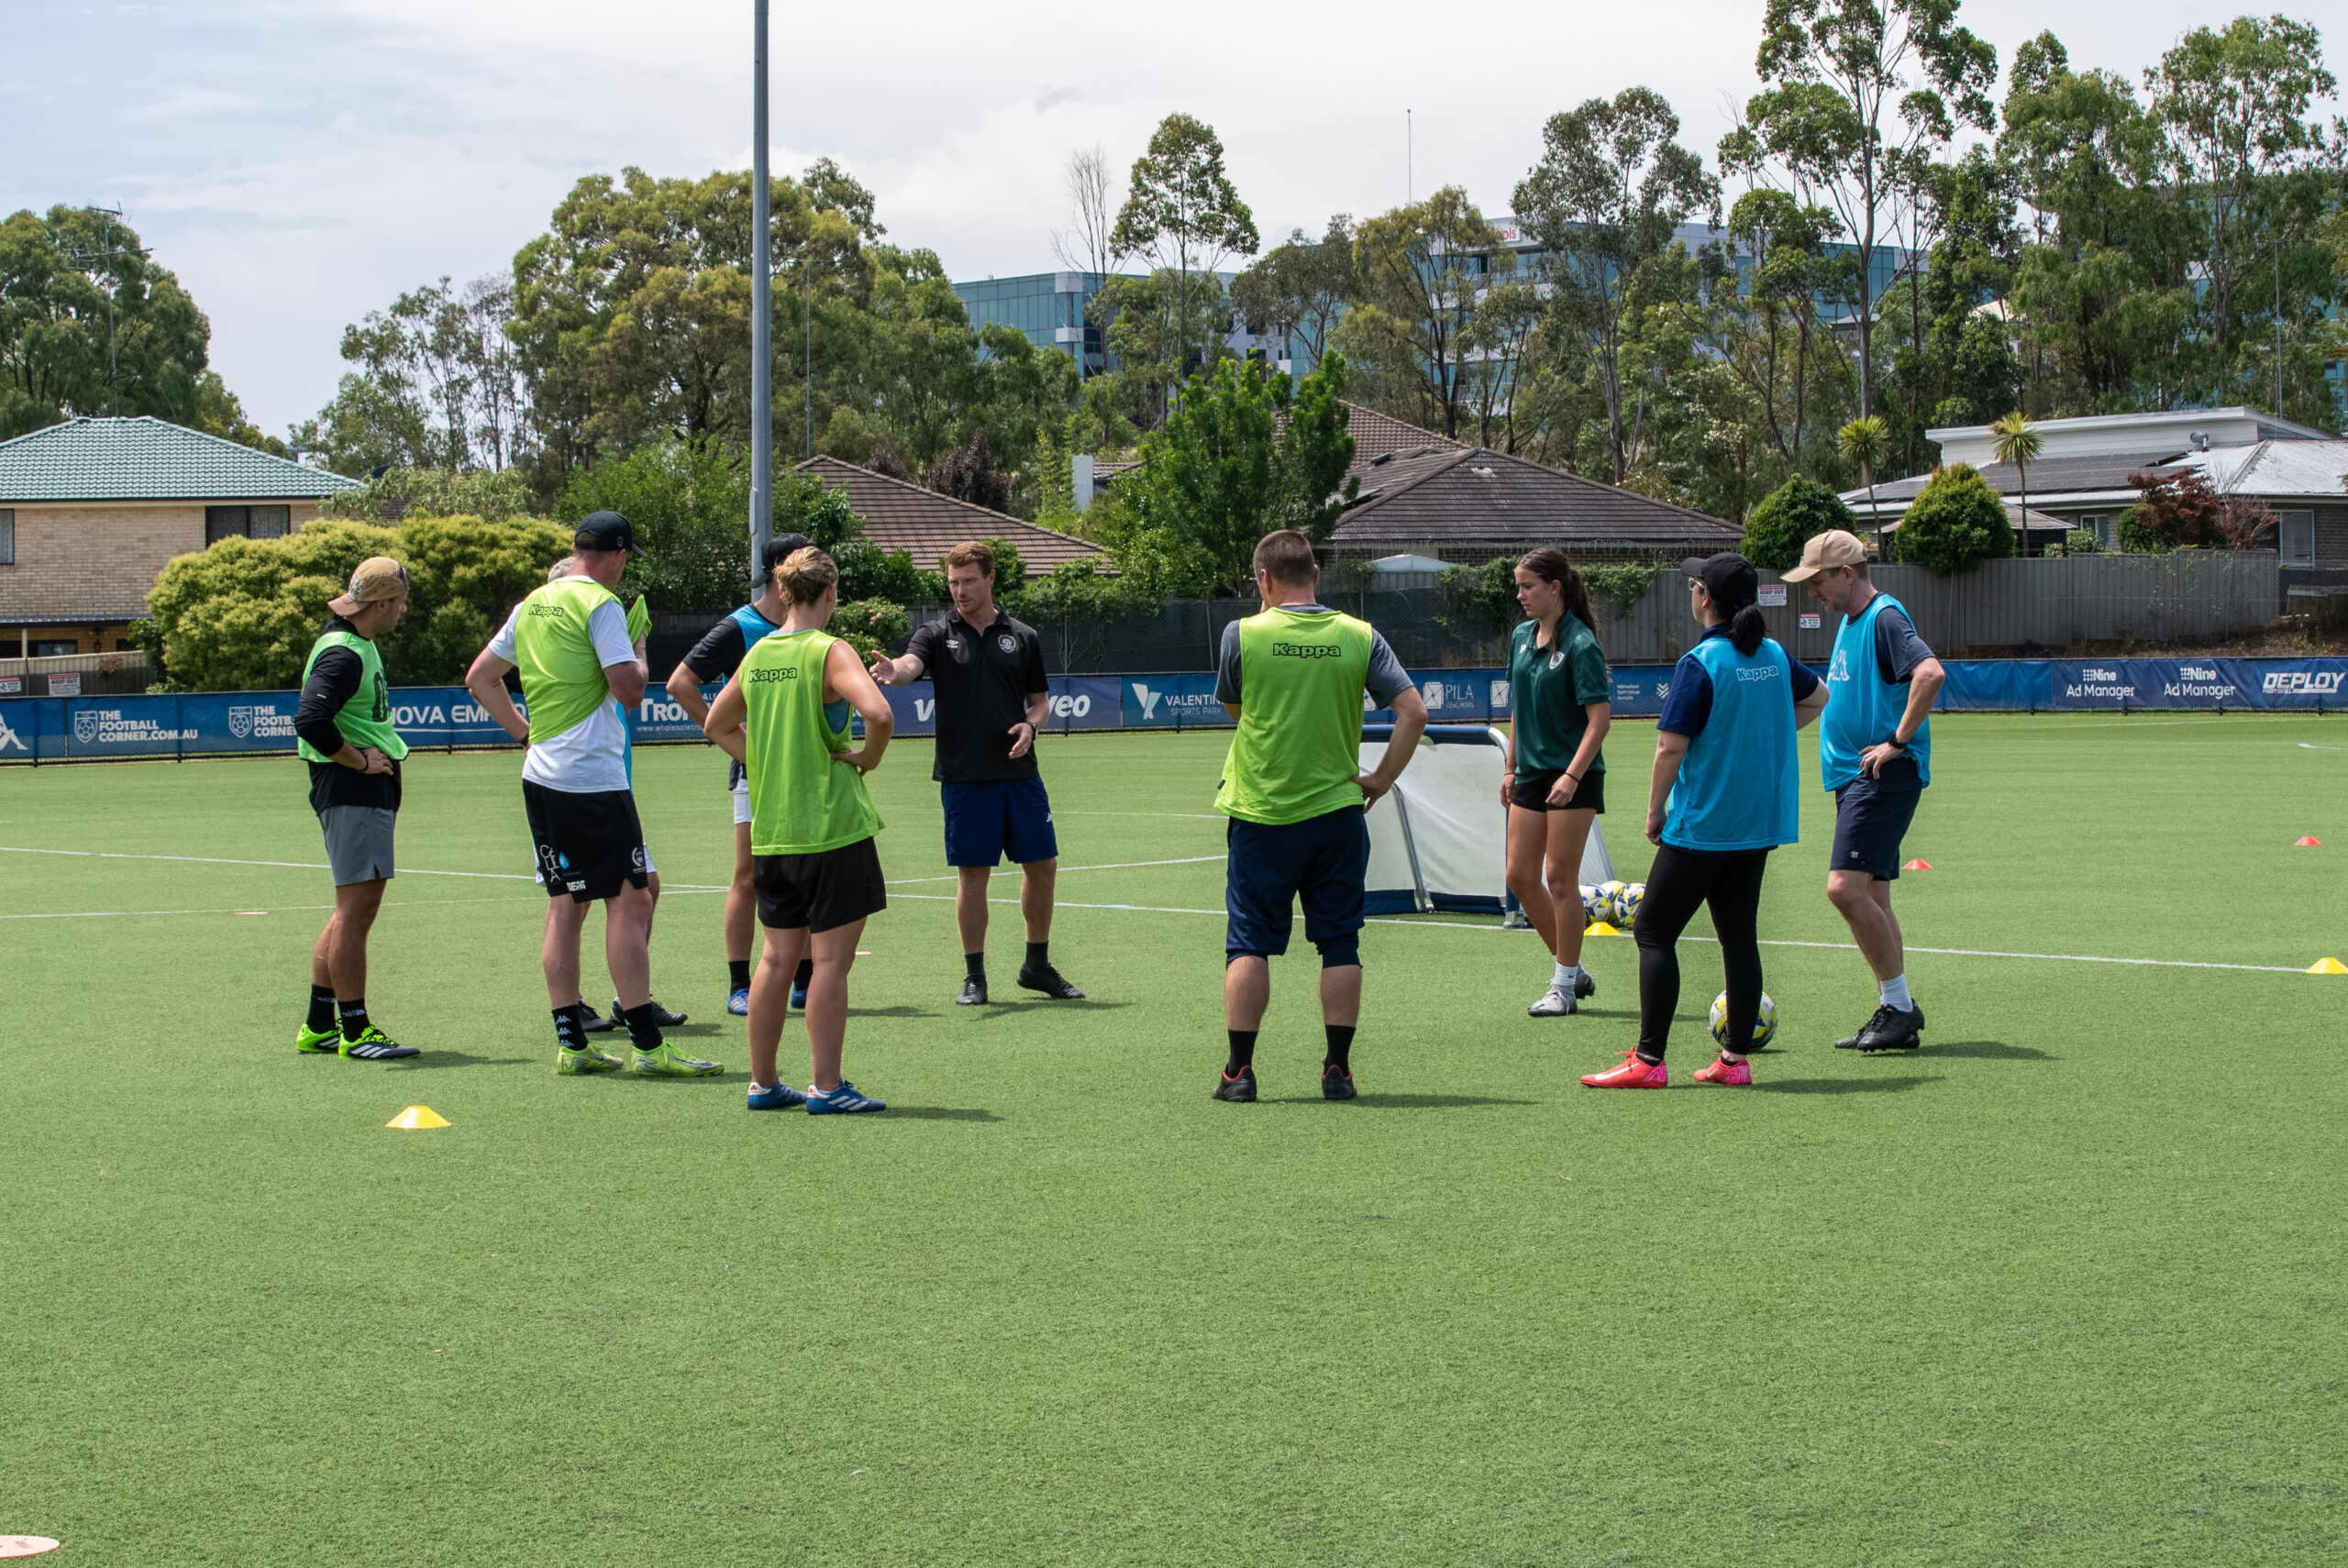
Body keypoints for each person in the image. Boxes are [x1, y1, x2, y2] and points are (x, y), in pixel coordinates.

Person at [461, 511, 720, 1079]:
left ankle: (571, 1043)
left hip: (542, 773)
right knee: (630, 901)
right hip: (592, 778)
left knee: (564, 904)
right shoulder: (602, 605)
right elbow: (630, 692)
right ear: (619, 555)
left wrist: (522, 732)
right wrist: (639, 647)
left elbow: (480, 677)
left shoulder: (532, 602)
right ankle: (649, 1047)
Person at [1582, 552, 1825, 1090]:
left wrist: (1653, 814)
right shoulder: (1775, 655)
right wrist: (1760, 735)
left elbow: (1669, 749)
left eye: (1694, 586)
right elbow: (1819, 699)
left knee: (1652, 929)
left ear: (1705, 598)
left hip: (1704, 824)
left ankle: (1647, 1062)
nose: (1691, 593)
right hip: (1758, 822)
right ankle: (1734, 1061)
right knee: (1739, 937)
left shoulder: (1701, 662)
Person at [1211, 529, 1427, 1103]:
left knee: (1249, 943)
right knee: (1339, 942)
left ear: (1263, 579)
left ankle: (1239, 1074)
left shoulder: (1244, 634)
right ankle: (1337, 1070)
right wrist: (1381, 778)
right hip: (1336, 811)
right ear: (1316, 574)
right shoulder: (1360, 635)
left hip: (1262, 814)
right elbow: (1413, 711)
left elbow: (1236, 707)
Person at [703, 547, 894, 1114]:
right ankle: (827, 1087)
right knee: (831, 964)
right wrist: (867, 758)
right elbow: (880, 715)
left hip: (773, 833)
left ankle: (763, 1084)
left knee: (774, 960)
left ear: (783, 593)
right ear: (831, 594)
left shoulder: (760, 652)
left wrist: (760, 761)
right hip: (832, 829)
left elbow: (717, 723)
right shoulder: (830, 650)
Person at [867, 540, 1083, 1006]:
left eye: (967, 581)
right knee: (973, 877)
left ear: (990, 579)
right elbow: (909, 665)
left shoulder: (1022, 635)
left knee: (1043, 867)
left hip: (1020, 773)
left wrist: (1031, 726)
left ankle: (1036, 965)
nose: (959, 591)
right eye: (952, 582)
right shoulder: (935, 632)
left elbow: (1040, 703)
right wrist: (894, 670)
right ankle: (975, 975)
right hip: (965, 775)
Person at [1782, 528, 1946, 1052]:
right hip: (1857, 777)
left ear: (1846, 573)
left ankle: (1900, 1007)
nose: (1813, 592)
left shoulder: (1884, 617)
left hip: (1880, 775)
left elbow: (1930, 673)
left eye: (1818, 581)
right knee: (1873, 894)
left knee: (1843, 889)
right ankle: (1894, 1010)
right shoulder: (1854, 621)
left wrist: (1896, 742)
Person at [663, 531, 815, 1017]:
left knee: (808, 873)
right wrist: (733, 739)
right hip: (757, 772)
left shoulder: (813, 622)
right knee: (748, 877)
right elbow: (680, 682)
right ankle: (739, 985)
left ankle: (804, 983)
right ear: (780, 573)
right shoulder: (741, 626)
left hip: (805, 771)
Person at [538, 555, 687, 1036]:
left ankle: (623, 1002)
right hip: (581, 787)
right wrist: (636, 648)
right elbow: (631, 690)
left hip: (597, 785)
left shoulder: (562, 634)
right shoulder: (585, 629)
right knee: (580, 901)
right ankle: (590, 1010)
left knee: (642, 890)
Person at [292, 556, 421, 1061]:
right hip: (351, 791)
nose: (404, 611)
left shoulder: (353, 641)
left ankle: (320, 1025)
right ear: (383, 603)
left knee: (348, 911)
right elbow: (311, 720)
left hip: (355, 792)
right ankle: (355, 1030)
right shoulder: (344, 652)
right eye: (401, 602)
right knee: (355, 914)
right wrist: (359, 762)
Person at [1500, 547, 1612, 1018]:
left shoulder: (1582, 644)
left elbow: (1599, 721)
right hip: (1529, 772)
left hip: (1573, 776)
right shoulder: (1522, 636)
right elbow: (1518, 709)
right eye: (1519, 586)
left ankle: (1563, 988)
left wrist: (1572, 775)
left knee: (1559, 877)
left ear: (1555, 588)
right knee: (1520, 877)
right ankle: (1573, 969)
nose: (1521, 594)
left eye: (1528, 586)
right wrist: (1509, 766)